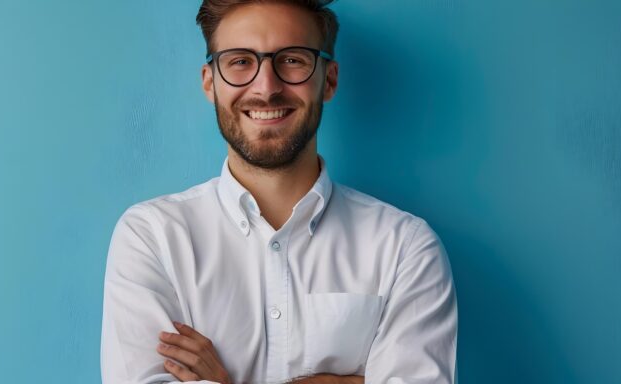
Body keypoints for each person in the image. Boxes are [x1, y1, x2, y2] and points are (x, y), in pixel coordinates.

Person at [100, 1, 458, 383]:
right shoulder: (152, 237)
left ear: (330, 80)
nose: (266, 88)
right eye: (240, 61)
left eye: (292, 60)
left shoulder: (405, 248)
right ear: (210, 82)